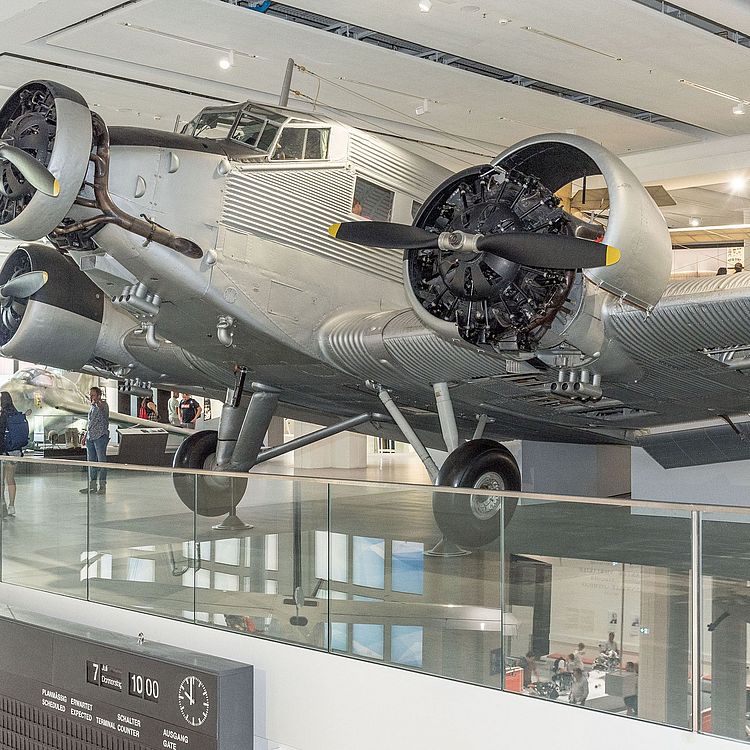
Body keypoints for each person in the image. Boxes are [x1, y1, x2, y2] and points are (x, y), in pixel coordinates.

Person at [0, 391, 27, 517]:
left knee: (1, 481)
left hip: (4, 452)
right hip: (16, 451)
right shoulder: (17, 414)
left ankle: (2, 506)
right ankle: (12, 505)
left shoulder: (3, 416)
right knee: (11, 479)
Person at [80, 386, 110, 495]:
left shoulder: (103, 405)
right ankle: (92, 486)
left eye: (93, 395)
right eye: (90, 394)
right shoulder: (91, 407)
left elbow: (102, 408)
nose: (91, 397)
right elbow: (90, 422)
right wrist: (85, 435)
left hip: (100, 437)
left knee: (102, 462)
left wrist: (98, 402)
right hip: (90, 438)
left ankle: (102, 486)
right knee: (91, 463)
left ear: (98, 395)